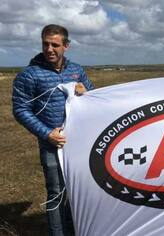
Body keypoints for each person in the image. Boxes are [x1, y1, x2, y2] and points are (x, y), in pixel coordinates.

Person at [12, 24, 94, 235]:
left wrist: (86, 92)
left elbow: (94, 99)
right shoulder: (29, 75)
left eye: (55, 45)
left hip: (77, 142)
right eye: (45, 44)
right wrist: (47, 133)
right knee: (56, 193)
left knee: (76, 189)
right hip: (51, 144)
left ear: (66, 46)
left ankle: (74, 228)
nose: (49, 49)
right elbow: (21, 109)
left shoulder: (76, 70)